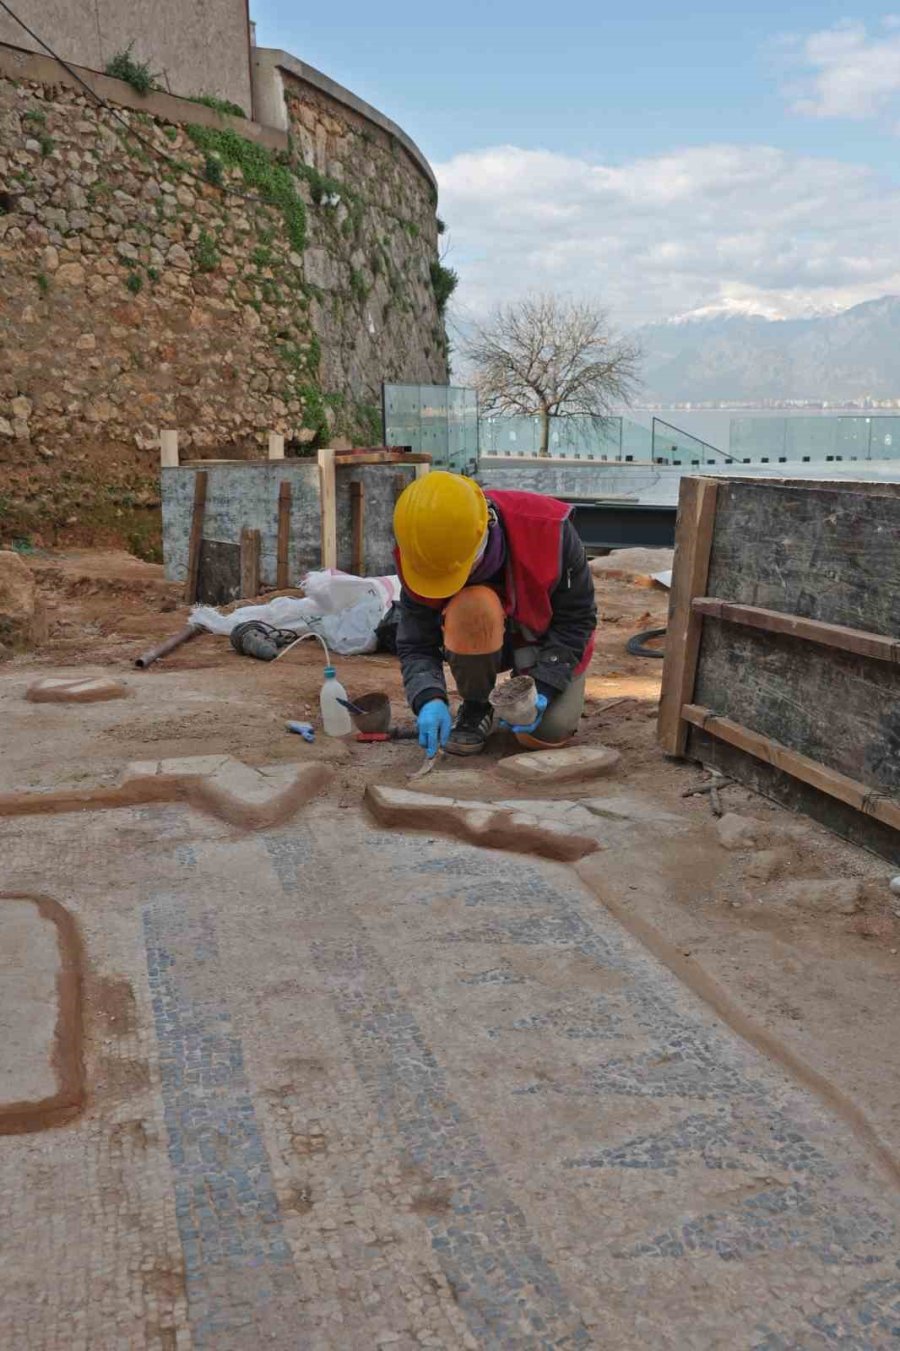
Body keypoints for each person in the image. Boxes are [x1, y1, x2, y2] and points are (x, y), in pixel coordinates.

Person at [393, 471, 597, 758]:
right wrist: (428, 698)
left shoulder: (549, 530)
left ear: (485, 530)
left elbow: (578, 619)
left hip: (543, 640)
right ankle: (477, 704)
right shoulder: (419, 553)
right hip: (477, 633)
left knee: (546, 732)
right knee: (473, 604)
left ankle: (532, 690)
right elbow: (416, 642)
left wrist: (547, 684)